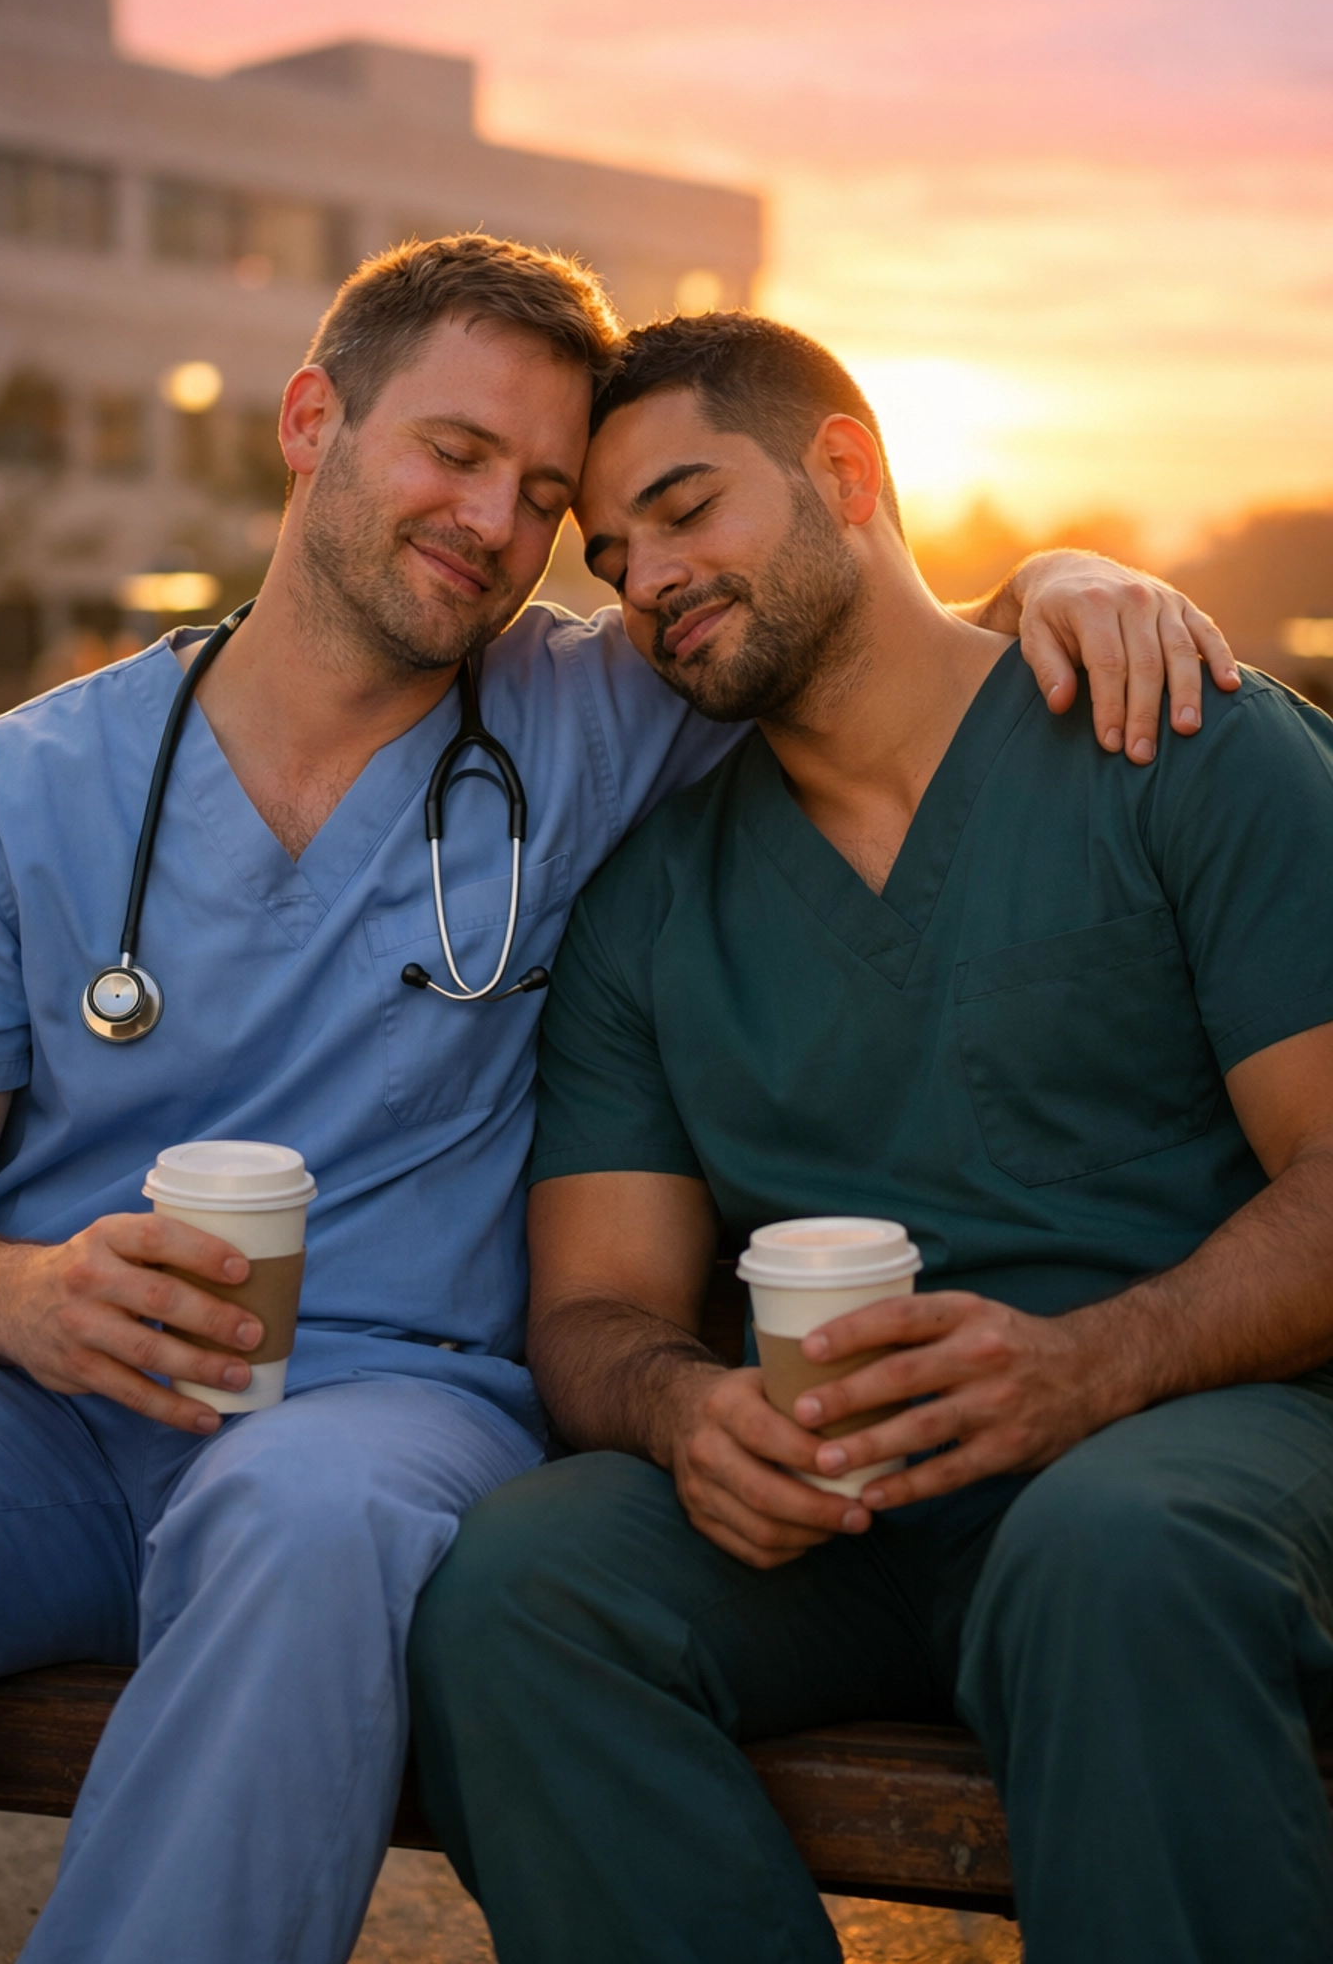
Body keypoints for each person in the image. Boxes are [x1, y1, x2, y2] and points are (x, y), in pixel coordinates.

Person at [0, 239, 1226, 1964]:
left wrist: (1064, 575)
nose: (497, 522)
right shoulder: (6, 797)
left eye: (546, 496)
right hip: (40, 1406)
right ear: (311, 420)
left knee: (305, 1518)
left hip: (391, 1409)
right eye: (455, 454)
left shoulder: (595, 709)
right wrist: (13, 1292)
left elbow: (848, 624)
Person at [409, 311, 1333, 1964]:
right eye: (614, 556)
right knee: (520, 1585)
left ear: (845, 471)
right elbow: (594, 1306)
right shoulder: (653, 902)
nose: (651, 581)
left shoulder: (1179, 738)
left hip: (1206, 1439)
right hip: (841, 1512)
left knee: (1113, 1552)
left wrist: (1092, 1369)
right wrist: (691, 1413)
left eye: (691, 509)